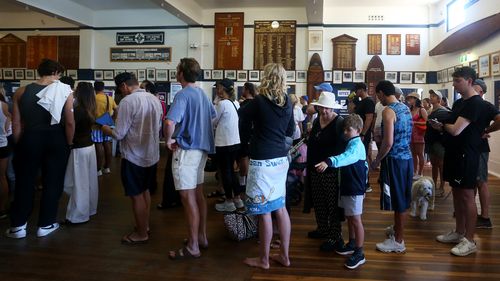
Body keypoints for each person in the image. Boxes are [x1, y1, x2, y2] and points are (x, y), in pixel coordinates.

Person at [432, 67, 500, 256]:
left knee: (467, 197)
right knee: (456, 193)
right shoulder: (460, 102)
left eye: (458, 80)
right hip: (454, 152)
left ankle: (469, 240)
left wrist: (486, 131)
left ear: (469, 81)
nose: (454, 84)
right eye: (454, 80)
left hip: (466, 155)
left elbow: (455, 130)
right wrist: (442, 126)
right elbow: (452, 128)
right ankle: (459, 232)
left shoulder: (476, 103)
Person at [6, 59, 74, 238]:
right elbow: (69, 121)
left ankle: (18, 226)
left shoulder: (21, 91)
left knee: (24, 181)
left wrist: (21, 142)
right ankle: (46, 224)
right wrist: (68, 143)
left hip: (29, 138)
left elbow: (17, 122)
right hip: (56, 138)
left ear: (39, 71)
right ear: (57, 72)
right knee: (53, 181)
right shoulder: (65, 91)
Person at [240, 63, 294, 269]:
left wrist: (251, 135)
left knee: (264, 211)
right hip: (281, 159)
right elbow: (289, 130)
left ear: (266, 77)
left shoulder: (259, 102)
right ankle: (284, 256)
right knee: (280, 207)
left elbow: (242, 117)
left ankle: (264, 259)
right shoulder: (288, 101)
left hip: (262, 160)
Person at [101, 72, 163, 244]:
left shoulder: (127, 101)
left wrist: (105, 128)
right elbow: (158, 126)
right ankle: (145, 225)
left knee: (136, 195)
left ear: (124, 86)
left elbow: (119, 134)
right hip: (151, 154)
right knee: (145, 191)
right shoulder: (154, 99)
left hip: (134, 156)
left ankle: (141, 233)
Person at [164, 58, 216, 259]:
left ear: (182, 74)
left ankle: (193, 245)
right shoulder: (202, 94)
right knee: (198, 194)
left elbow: (170, 122)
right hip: (202, 150)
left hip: (186, 151)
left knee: (187, 198)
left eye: (177, 71)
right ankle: (201, 237)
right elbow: (212, 115)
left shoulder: (183, 94)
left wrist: (168, 140)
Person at [315, 114, 368, 269]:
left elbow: (347, 157)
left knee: (356, 220)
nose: (345, 132)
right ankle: (352, 243)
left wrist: (329, 161)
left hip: (354, 188)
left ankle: (359, 252)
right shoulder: (351, 142)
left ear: (358, 130)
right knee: (350, 218)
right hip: (348, 186)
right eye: (344, 129)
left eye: (348, 129)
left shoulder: (356, 146)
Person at [371, 80, 413, 253]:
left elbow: (388, 143)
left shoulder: (388, 111)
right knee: (401, 197)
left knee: (398, 200)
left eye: (377, 95)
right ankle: (397, 231)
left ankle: (398, 241)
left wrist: (376, 160)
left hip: (395, 160)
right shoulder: (405, 108)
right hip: (407, 158)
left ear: (381, 93)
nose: (377, 98)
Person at [306, 91, 346, 251]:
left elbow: (342, 148)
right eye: (321, 108)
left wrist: (329, 163)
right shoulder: (317, 120)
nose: (324, 111)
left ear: (332, 108)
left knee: (332, 204)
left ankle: (334, 236)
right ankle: (322, 229)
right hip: (315, 168)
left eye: (327, 109)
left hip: (331, 170)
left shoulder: (339, 122)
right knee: (319, 201)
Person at [63, 82, 98, 224]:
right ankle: (90, 208)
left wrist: (69, 142)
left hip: (79, 147)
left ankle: (78, 215)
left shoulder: (77, 110)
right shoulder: (91, 109)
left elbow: (70, 126)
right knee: (89, 181)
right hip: (89, 147)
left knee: (79, 182)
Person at [472, 79, 500, 228]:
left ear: (481, 91)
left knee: (481, 181)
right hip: (469, 148)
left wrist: (487, 130)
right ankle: (471, 212)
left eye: (474, 88)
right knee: (472, 181)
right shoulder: (467, 104)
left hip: (480, 149)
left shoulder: (486, 106)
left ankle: (485, 217)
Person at [213, 78, 242, 212]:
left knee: (226, 173)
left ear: (222, 89)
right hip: (235, 142)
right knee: (233, 172)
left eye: (218, 87)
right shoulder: (236, 103)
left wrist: (215, 103)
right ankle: (238, 199)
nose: (217, 89)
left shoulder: (222, 104)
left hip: (223, 143)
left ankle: (229, 201)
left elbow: (213, 121)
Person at [425, 89, 450, 197]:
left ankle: (442, 187)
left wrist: (439, 127)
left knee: (441, 165)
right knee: (434, 164)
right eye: (430, 95)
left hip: (439, 142)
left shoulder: (443, 111)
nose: (431, 97)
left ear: (439, 99)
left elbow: (445, 128)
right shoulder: (430, 110)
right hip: (431, 141)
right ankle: (434, 185)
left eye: (433, 96)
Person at [92, 81, 117, 176]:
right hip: (107, 124)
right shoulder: (109, 98)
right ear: (103, 88)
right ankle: (107, 167)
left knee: (98, 145)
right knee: (107, 144)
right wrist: (113, 120)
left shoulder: (93, 98)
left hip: (96, 125)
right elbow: (116, 109)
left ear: (95, 88)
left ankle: (98, 169)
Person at [353, 83, 375, 191]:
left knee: (364, 157)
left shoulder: (369, 101)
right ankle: (361, 181)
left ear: (361, 90)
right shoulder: (361, 102)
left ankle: (367, 184)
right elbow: (351, 112)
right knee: (360, 157)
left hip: (363, 135)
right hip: (358, 134)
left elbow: (369, 119)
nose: (355, 92)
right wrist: (350, 101)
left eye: (356, 90)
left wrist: (363, 134)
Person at [237, 82, 257, 192]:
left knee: (244, 158)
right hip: (252, 135)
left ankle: (243, 183)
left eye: (243, 89)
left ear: (248, 90)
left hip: (245, 135)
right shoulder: (255, 103)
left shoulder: (246, 104)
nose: (242, 91)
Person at [406, 92, 427, 179]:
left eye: (411, 98)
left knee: (420, 153)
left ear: (415, 99)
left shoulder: (421, 110)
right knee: (413, 154)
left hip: (420, 134)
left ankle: (420, 172)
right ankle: (414, 171)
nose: (409, 100)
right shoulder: (410, 110)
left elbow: (427, 122)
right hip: (411, 134)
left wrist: (415, 122)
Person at [0, 86, 12, 220]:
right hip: (2, 144)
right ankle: (2, 208)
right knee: (2, 177)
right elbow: (8, 128)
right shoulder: (4, 106)